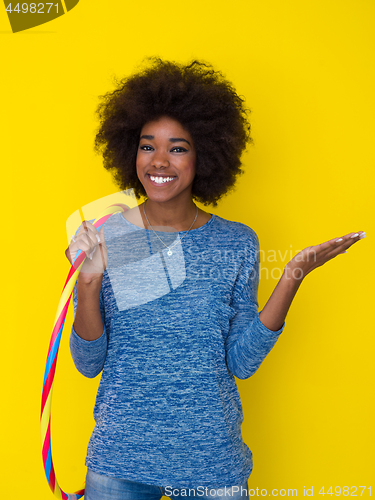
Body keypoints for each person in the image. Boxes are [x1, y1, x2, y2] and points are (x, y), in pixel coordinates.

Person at [66, 59, 365, 500]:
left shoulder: (235, 242)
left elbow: (240, 363)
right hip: (120, 461)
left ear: (204, 154)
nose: (160, 161)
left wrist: (292, 277)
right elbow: (89, 363)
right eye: (148, 146)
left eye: (178, 148)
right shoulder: (109, 236)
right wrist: (88, 282)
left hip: (212, 462)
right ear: (130, 150)